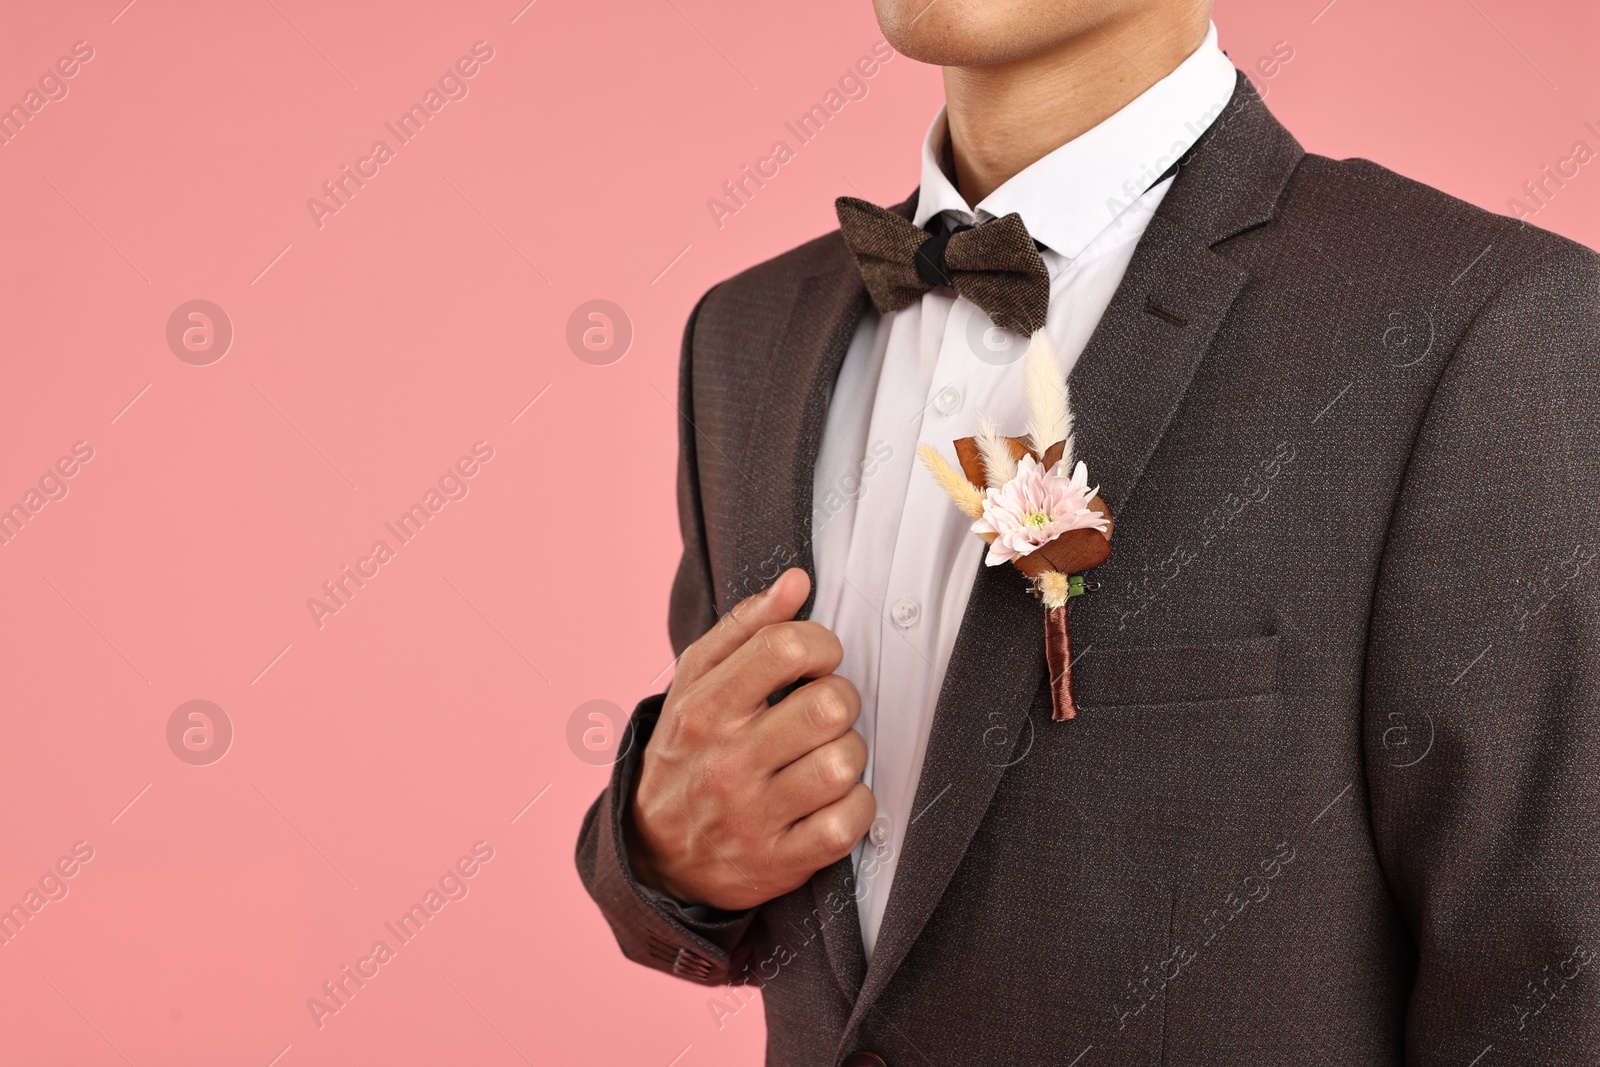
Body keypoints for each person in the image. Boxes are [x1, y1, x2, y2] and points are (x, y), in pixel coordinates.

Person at [577, 0, 1600, 1062]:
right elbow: (721, 850)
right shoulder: (743, 337)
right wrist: (657, 852)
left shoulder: (1481, 329)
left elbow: (1552, 994)